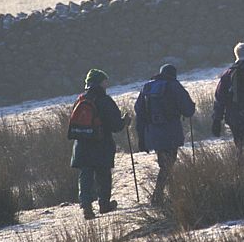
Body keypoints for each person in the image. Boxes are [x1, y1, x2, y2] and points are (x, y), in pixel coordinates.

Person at [134, 64, 196, 206]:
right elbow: (187, 110)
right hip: (171, 131)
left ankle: (172, 194)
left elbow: (139, 112)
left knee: (165, 163)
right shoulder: (174, 85)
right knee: (168, 164)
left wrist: (141, 138)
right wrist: (191, 108)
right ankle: (158, 197)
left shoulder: (147, 87)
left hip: (153, 133)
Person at [70, 69, 126, 220]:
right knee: (103, 176)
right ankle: (104, 204)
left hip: (81, 145)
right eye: (105, 81)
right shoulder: (104, 100)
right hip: (101, 145)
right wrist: (125, 121)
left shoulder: (80, 100)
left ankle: (86, 207)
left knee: (85, 176)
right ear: (100, 82)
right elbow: (116, 126)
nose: (107, 84)